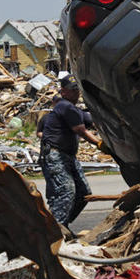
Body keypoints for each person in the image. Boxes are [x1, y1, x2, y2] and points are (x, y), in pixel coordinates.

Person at [39, 74, 109, 227]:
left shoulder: (75, 110)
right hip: (54, 155)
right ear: (63, 92)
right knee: (66, 191)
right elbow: (81, 130)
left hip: (68, 156)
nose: (76, 93)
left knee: (84, 193)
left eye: (77, 90)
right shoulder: (64, 106)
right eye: (72, 90)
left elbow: (91, 120)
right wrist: (101, 145)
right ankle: (54, 231)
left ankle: (61, 226)